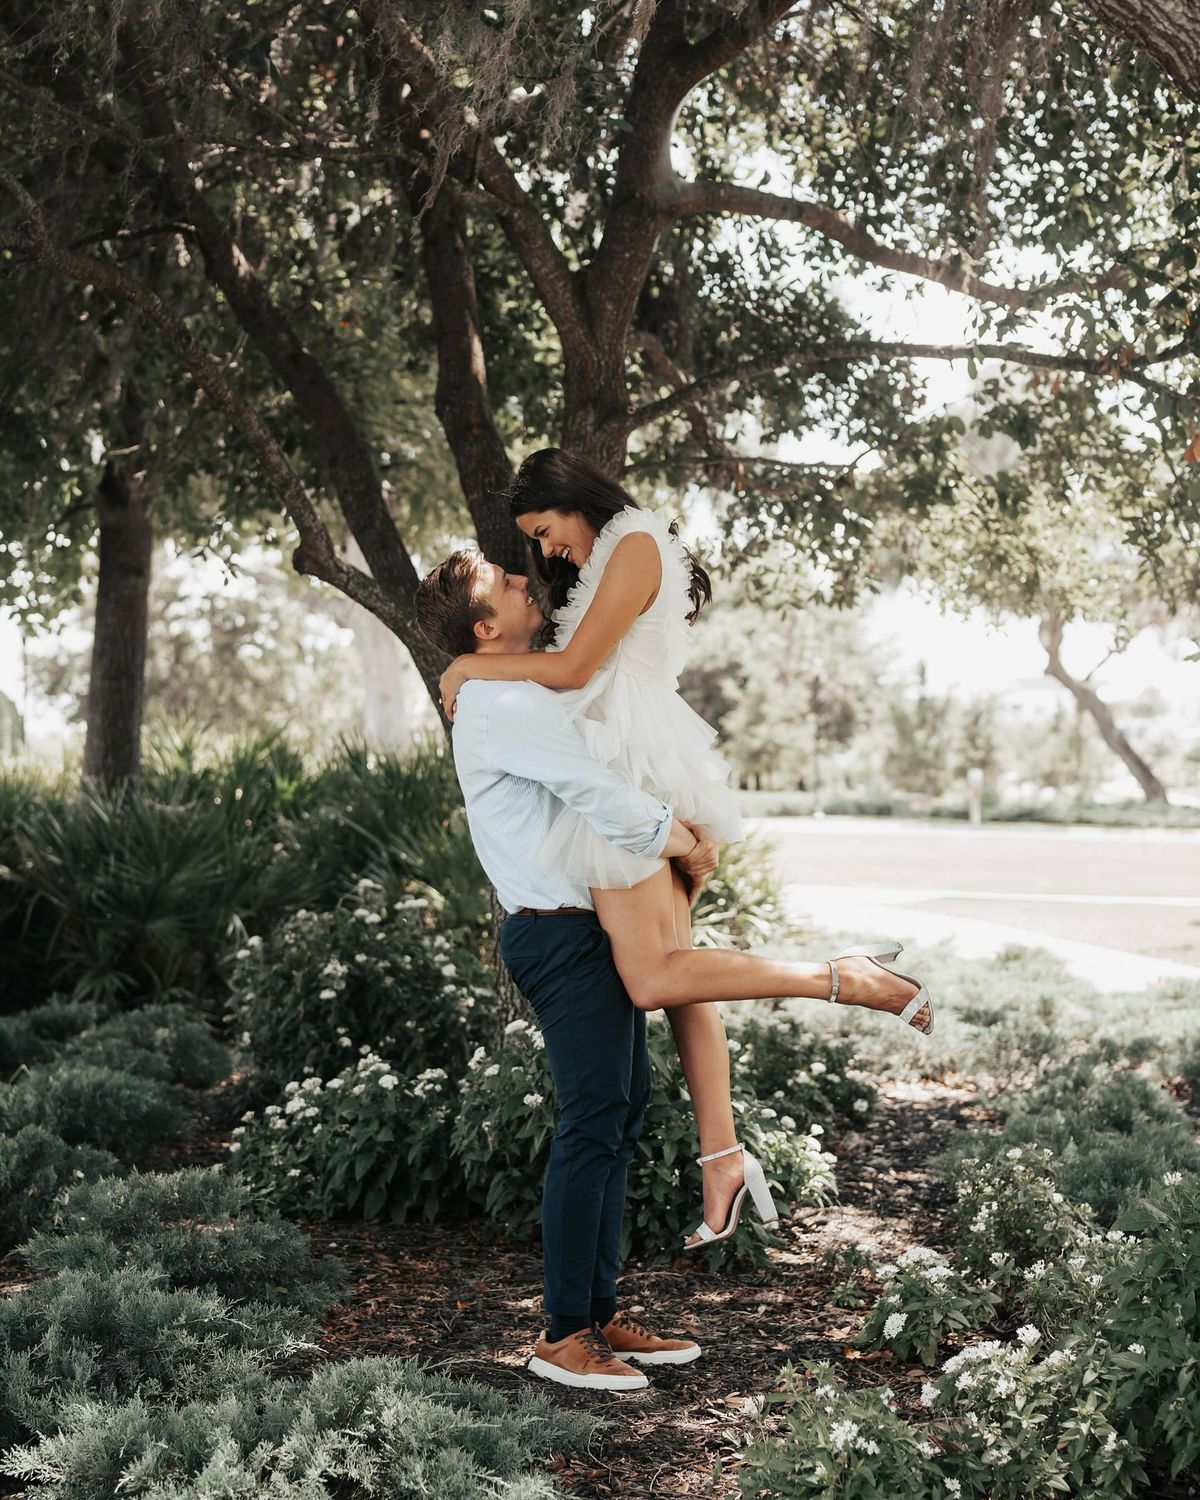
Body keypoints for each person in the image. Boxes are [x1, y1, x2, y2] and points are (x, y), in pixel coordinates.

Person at [415, 546, 929, 1386]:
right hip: (556, 934)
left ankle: (599, 1312)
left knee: (618, 1116)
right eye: (503, 586)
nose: (522, 578)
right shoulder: (498, 705)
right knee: (592, 1122)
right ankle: (561, 1335)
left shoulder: (513, 685)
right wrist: (683, 840)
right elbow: (596, 792)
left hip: (586, 928)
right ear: (484, 627)